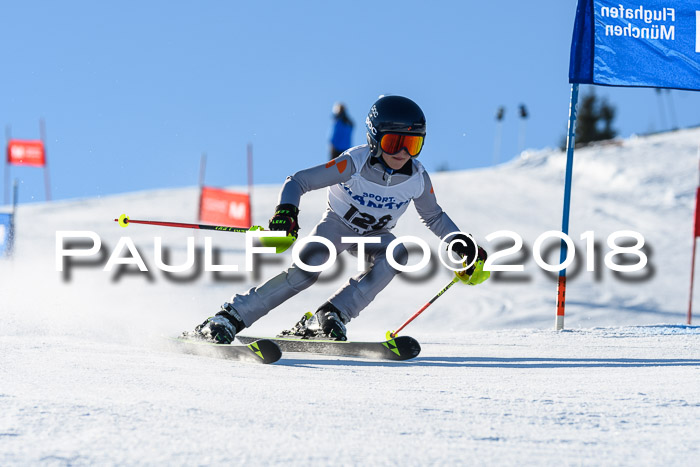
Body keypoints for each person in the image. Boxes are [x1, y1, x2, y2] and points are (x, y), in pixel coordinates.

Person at [191, 95, 489, 344]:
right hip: (337, 226)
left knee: (397, 253)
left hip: (374, 234)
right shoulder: (354, 164)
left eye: (411, 145)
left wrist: (462, 244)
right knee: (308, 270)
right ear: (375, 138)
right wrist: (287, 212)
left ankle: (331, 314)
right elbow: (298, 181)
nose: (401, 153)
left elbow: (434, 216)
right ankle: (231, 316)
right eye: (393, 142)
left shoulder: (417, 178)